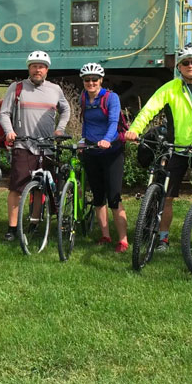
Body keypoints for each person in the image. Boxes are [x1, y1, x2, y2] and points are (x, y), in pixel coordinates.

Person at [125, 45, 192, 251]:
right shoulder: (169, 88)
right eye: (185, 62)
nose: (190, 66)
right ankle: (163, 239)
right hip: (176, 149)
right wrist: (134, 129)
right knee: (167, 197)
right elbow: (149, 109)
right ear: (179, 66)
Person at [0, 50, 71, 242]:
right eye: (33, 66)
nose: (37, 70)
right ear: (29, 68)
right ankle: (12, 228)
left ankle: (34, 222)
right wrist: (9, 131)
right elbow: (4, 113)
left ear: (46, 70)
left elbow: (66, 109)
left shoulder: (55, 89)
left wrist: (60, 128)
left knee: (40, 187)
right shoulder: (17, 87)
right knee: (16, 188)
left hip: (47, 146)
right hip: (23, 145)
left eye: (41, 67)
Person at [78, 63, 128, 253]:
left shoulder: (111, 97)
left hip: (111, 151)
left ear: (101, 80)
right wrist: (83, 140)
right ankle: (105, 235)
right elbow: (86, 122)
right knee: (98, 197)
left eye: (94, 80)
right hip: (91, 150)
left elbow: (113, 121)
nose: (90, 83)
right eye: (87, 80)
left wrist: (107, 140)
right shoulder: (84, 97)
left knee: (114, 197)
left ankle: (123, 240)